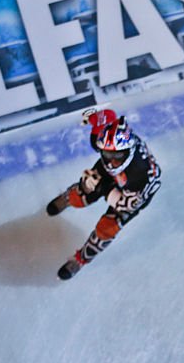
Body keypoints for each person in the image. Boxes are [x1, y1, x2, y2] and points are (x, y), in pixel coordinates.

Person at [46, 108, 161, 280]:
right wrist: (93, 118)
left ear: (128, 152)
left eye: (117, 156)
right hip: (122, 177)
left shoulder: (142, 175)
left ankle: (81, 258)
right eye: (106, 154)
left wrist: (103, 189)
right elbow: (107, 116)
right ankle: (71, 197)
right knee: (84, 192)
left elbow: (125, 205)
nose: (111, 161)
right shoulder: (102, 141)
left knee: (108, 227)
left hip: (133, 193)